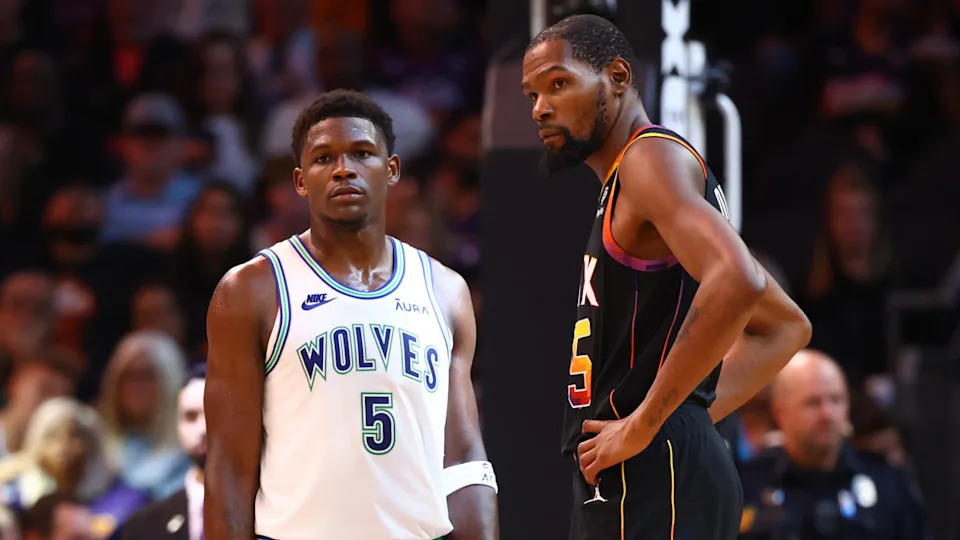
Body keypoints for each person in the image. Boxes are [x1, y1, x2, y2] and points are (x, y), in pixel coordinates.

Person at [520, 15, 813, 540]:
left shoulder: (648, 158)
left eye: (559, 83)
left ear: (617, 76)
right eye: (533, 94)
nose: (541, 106)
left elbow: (739, 281)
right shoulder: (638, 177)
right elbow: (785, 325)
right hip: (647, 466)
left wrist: (647, 423)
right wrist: (675, 415)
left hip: (654, 476)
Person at [204, 89, 498, 539]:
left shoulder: (445, 290)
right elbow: (229, 466)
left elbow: (462, 458)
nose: (344, 169)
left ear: (392, 169)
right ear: (300, 181)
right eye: (324, 159)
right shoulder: (251, 290)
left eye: (362, 153)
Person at [738, 350, 930, 539]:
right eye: (813, 403)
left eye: (836, 400)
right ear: (781, 411)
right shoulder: (747, 486)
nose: (827, 415)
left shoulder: (888, 482)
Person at [121, 364, 207, 540]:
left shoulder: (271, 514)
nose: (203, 429)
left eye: (214, 414)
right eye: (190, 417)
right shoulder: (143, 527)